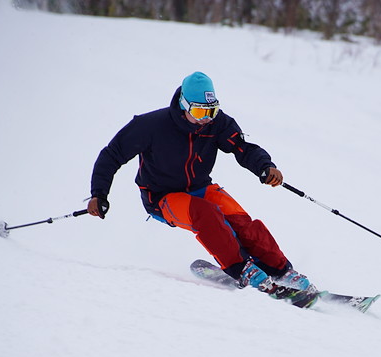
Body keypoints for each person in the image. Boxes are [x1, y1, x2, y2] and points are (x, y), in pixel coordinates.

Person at [87, 71, 313, 294]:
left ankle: (281, 271)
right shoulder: (151, 126)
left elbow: (242, 148)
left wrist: (265, 166)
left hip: (201, 186)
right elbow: (111, 155)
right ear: (184, 105)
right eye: (199, 111)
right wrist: (99, 194)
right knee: (206, 214)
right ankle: (242, 270)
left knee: (241, 221)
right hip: (162, 197)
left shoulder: (217, 123)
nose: (206, 118)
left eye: (211, 111)